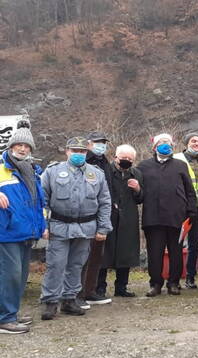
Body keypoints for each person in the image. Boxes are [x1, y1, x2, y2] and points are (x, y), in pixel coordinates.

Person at [40, 137, 112, 320]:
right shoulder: (52, 172)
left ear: (86, 153)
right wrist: (43, 225)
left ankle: (69, 300)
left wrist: (103, 228)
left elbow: (104, 202)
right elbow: (42, 201)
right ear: (67, 151)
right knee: (56, 265)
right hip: (59, 226)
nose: (78, 154)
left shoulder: (97, 174)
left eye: (81, 151)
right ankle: (50, 302)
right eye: (74, 151)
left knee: (76, 265)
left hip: (85, 227)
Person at [0, 121, 46, 333]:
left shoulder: (32, 171)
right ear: (10, 146)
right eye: (18, 144)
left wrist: (42, 226)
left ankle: (12, 314)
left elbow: (39, 203)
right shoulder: (1, 168)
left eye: (27, 146)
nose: (22, 148)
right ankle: (5, 319)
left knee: (19, 276)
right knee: (10, 274)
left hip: (27, 232)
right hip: (6, 231)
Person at [138, 133, 196, 297]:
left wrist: (191, 211)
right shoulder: (143, 166)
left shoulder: (181, 165)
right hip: (153, 218)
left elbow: (190, 191)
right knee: (154, 253)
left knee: (176, 252)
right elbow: (139, 192)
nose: (166, 145)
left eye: (168, 143)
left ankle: (174, 283)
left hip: (176, 217)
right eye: (162, 143)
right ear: (155, 146)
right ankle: (155, 283)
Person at [97, 144, 144, 298]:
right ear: (115, 157)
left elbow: (141, 199)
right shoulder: (105, 172)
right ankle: (99, 288)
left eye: (130, 159)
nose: (127, 161)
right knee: (104, 253)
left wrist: (138, 189)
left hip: (128, 218)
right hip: (108, 216)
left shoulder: (136, 173)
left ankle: (121, 287)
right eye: (124, 158)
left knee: (126, 253)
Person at [78, 131, 114, 307]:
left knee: (96, 257)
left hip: (102, 215)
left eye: (104, 142)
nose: (102, 145)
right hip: (86, 215)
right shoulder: (85, 161)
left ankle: (89, 291)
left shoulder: (104, 161)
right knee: (81, 257)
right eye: (98, 142)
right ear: (89, 143)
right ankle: (77, 293)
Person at [174, 132, 198, 289]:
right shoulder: (177, 158)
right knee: (177, 243)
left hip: (197, 208)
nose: (197, 143)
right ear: (186, 143)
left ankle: (190, 277)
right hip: (180, 207)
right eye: (193, 141)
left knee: (194, 244)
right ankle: (174, 277)